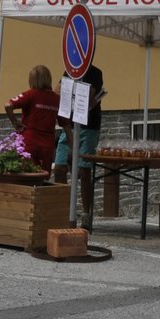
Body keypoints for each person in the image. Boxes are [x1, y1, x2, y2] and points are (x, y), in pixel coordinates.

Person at [54, 64, 104, 218]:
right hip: (68, 124)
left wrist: (72, 93)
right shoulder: (70, 71)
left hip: (89, 125)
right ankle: (62, 209)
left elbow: (90, 97)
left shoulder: (96, 72)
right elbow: (57, 91)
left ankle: (86, 213)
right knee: (59, 167)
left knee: (84, 171)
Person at [4, 65, 61, 169]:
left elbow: (8, 105)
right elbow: (65, 124)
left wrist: (15, 123)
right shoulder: (56, 99)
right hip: (48, 144)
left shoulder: (30, 94)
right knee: (43, 177)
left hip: (29, 140)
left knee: (26, 176)